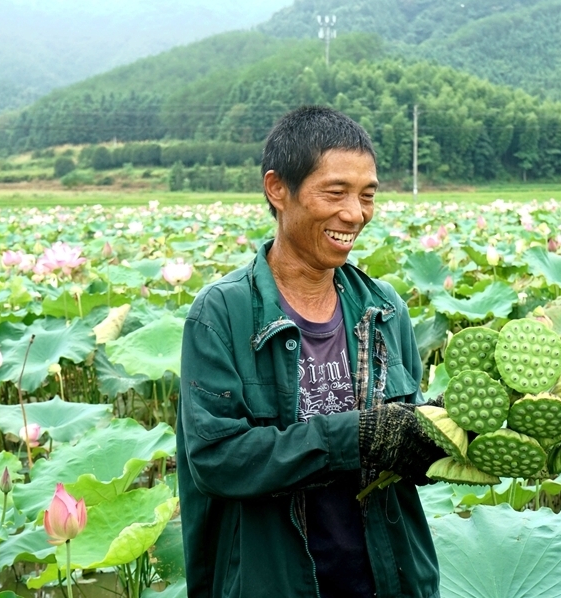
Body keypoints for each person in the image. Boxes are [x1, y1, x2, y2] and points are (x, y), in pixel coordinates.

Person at [176, 105, 443, 598]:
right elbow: (216, 461)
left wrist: (439, 435)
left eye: (367, 196)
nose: (355, 214)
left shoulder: (386, 310)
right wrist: (355, 437)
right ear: (278, 189)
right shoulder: (221, 314)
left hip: (386, 577)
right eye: (335, 192)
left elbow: (398, 451)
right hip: (274, 580)